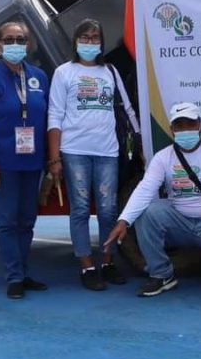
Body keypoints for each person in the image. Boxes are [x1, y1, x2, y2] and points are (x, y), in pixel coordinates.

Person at [103, 102, 201, 297]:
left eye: (190, 124)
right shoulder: (162, 157)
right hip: (178, 220)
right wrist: (123, 221)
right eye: (179, 125)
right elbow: (145, 189)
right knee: (148, 213)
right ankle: (162, 275)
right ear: (172, 129)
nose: (185, 130)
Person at [47, 19, 138, 291]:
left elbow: (126, 108)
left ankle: (107, 261)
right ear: (75, 42)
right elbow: (55, 115)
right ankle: (87, 266)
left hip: (107, 151)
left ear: (101, 42)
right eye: (84, 37)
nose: (89, 42)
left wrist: (141, 142)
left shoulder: (110, 71)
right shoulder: (64, 73)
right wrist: (54, 158)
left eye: (94, 37)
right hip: (74, 151)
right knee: (80, 208)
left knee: (108, 209)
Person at [0, 20, 50, 299]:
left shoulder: (39, 77)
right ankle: (14, 276)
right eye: (9, 40)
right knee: (7, 220)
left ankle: (23, 271)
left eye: (20, 40)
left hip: (33, 162)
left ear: (28, 44)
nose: (15, 45)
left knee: (27, 220)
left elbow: (47, 117)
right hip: (4, 163)